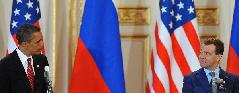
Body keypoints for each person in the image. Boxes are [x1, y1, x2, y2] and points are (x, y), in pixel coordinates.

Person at [0, 24, 49, 93]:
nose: (42, 44)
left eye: (42, 40)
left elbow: (47, 88)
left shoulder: (42, 60)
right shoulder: (5, 65)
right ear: (24, 44)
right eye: (38, 42)